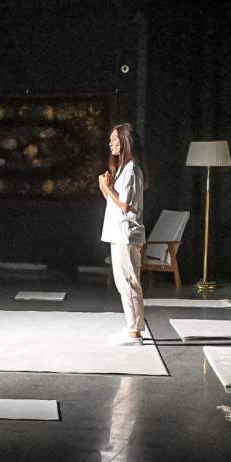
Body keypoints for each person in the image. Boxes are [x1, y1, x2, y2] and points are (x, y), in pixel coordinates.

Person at [98, 123, 146, 346]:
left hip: (127, 235)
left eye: (115, 140)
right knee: (122, 282)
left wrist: (108, 188)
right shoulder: (123, 169)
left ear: (126, 142)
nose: (111, 144)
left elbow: (126, 205)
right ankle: (131, 327)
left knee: (128, 282)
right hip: (118, 234)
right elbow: (113, 201)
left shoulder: (133, 169)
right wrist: (105, 186)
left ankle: (135, 332)